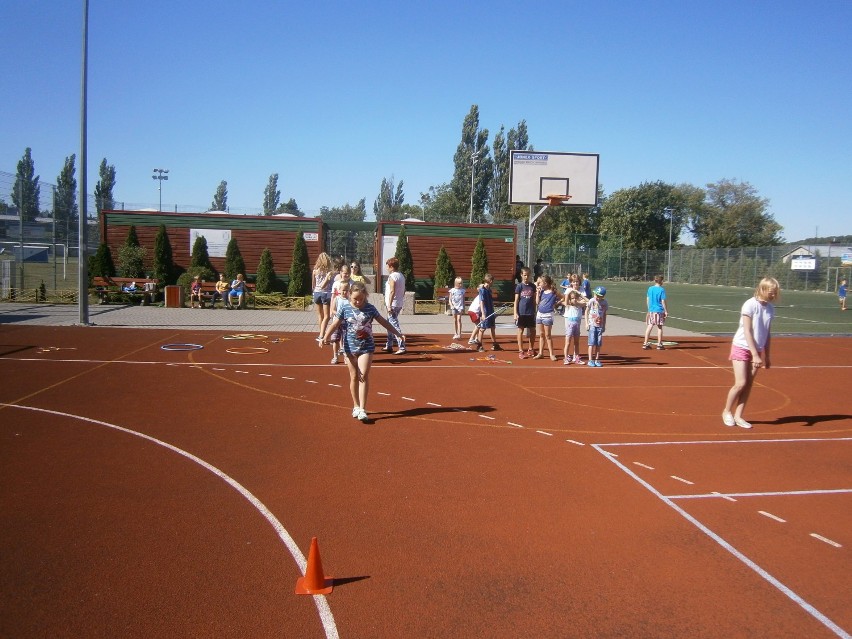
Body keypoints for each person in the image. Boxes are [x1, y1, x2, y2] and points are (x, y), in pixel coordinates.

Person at [321, 281, 405, 423]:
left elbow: (383, 322)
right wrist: (325, 336)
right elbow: (335, 323)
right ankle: (355, 405)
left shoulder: (370, 309)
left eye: (361, 299)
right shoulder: (345, 308)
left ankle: (362, 408)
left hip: (366, 347)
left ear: (365, 296)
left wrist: (397, 333)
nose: (358, 302)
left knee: (363, 375)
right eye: (355, 299)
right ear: (349, 296)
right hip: (349, 348)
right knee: (354, 377)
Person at [722, 277, 779, 429]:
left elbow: (767, 333)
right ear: (762, 289)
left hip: (757, 350)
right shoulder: (750, 304)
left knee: (749, 384)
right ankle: (726, 411)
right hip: (742, 346)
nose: (773, 296)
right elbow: (748, 331)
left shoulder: (770, 308)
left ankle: (739, 415)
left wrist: (767, 355)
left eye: (775, 293)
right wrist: (754, 354)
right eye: (771, 293)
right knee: (741, 383)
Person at [383, 257, 406, 354]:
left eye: (388, 266)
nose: (387, 268)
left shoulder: (392, 276)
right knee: (389, 324)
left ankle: (402, 346)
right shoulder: (401, 275)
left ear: (391, 267)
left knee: (394, 325)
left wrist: (389, 305)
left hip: (393, 304)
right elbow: (403, 291)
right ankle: (389, 345)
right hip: (398, 303)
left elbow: (392, 291)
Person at [533, 274, 558, 360]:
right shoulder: (541, 292)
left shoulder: (553, 292)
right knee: (541, 334)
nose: (539, 284)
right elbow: (537, 302)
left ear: (546, 283)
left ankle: (551, 354)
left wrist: (556, 304)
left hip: (548, 315)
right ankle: (541, 353)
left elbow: (562, 297)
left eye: (540, 283)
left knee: (548, 335)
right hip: (540, 314)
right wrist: (537, 293)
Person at [514, 267, 536, 359]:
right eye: (524, 275)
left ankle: (530, 349)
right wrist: (515, 313)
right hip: (521, 312)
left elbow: (534, 300)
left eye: (528, 275)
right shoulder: (519, 286)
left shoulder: (532, 286)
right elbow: (516, 301)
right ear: (521, 275)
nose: (526, 277)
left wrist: (535, 311)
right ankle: (521, 350)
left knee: (533, 331)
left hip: (530, 312)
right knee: (520, 330)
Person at [643, 275, 669, 350]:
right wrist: (666, 311)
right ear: (661, 281)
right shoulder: (661, 290)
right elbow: (663, 301)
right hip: (659, 310)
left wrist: (649, 309)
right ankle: (659, 344)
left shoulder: (650, 288)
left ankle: (645, 343)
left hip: (651, 310)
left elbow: (648, 299)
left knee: (649, 326)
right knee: (659, 327)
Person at [312, 252, 334, 341]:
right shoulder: (329, 272)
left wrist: (313, 292)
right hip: (325, 293)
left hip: (316, 293)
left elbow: (313, 284)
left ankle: (321, 333)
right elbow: (330, 284)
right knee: (326, 316)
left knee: (319, 315)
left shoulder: (315, 271)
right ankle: (323, 334)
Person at [562, 289, 587, 365]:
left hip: (577, 323)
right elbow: (565, 301)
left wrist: (580, 296)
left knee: (576, 342)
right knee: (568, 342)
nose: (574, 299)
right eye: (572, 298)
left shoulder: (579, 304)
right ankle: (566, 358)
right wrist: (568, 295)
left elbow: (587, 301)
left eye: (575, 298)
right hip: (570, 323)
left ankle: (576, 357)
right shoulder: (568, 304)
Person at [476, 273, 501, 351]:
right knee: (482, 328)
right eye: (492, 281)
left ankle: (494, 344)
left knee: (492, 327)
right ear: (490, 281)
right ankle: (479, 345)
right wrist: (483, 313)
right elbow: (481, 302)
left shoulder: (489, 290)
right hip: (485, 312)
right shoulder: (482, 290)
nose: (493, 283)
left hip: (491, 311)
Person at [585, 286, 608, 367]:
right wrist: (587, 323)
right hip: (592, 325)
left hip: (600, 326)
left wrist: (604, 325)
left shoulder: (604, 303)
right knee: (591, 343)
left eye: (599, 296)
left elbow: (604, 314)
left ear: (603, 296)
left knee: (598, 343)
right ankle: (590, 360)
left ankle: (597, 359)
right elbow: (586, 311)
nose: (597, 297)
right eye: (596, 295)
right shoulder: (592, 301)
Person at [329, 281, 350, 364]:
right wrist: (339, 314)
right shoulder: (336, 299)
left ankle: (346, 356)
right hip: (337, 322)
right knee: (335, 340)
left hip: (346, 323)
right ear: (339, 290)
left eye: (347, 290)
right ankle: (335, 356)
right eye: (343, 290)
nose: (345, 292)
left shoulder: (349, 300)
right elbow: (333, 310)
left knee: (346, 340)